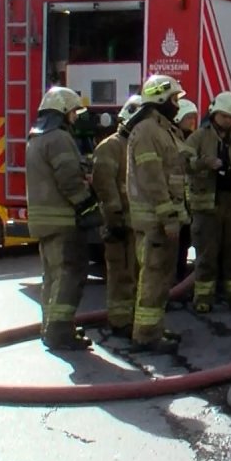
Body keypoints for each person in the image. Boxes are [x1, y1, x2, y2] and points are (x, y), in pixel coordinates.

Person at [27, 87, 100, 351]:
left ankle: (53, 326)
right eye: (73, 112)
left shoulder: (36, 138)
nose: (75, 117)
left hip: (43, 222)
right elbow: (68, 179)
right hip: (63, 222)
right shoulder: (59, 138)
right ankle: (59, 332)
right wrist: (88, 205)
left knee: (52, 277)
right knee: (71, 274)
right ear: (63, 111)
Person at [127, 74, 192, 354]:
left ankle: (153, 327)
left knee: (162, 278)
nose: (177, 104)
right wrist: (168, 217)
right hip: (155, 221)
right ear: (161, 98)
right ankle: (145, 336)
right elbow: (152, 178)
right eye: (175, 99)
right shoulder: (147, 131)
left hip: (164, 219)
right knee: (153, 278)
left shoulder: (162, 130)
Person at [186, 91, 231, 313]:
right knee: (207, 254)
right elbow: (182, 162)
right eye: (224, 116)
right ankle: (203, 297)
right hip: (207, 206)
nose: (227, 121)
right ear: (214, 113)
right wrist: (204, 162)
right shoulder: (199, 137)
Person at [92, 95, 142, 339]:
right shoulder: (111, 146)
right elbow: (104, 185)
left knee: (136, 273)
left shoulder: (136, 145)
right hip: (119, 223)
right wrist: (114, 218)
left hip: (137, 222)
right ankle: (120, 321)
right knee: (121, 274)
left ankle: (133, 319)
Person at [174, 99, 199, 282]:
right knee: (174, 247)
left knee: (184, 244)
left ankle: (180, 280)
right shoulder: (172, 139)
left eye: (193, 117)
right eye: (188, 117)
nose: (191, 121)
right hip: (175, 201)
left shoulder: (193, 139)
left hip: (189, 203)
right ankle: (174, 282)